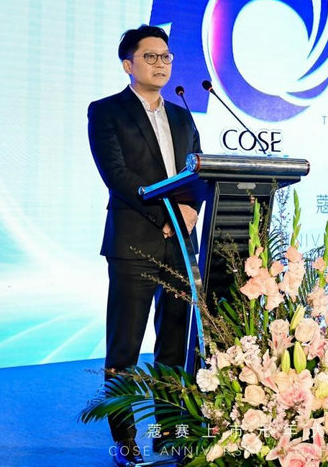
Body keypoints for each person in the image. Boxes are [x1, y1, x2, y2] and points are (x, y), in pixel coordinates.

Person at [88, 25, 201, 466]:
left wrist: (189, 211)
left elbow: (198, 172)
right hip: (134, 243)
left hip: (180, 245)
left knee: (173, 347)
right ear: (128, 64)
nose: (161, 63)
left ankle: (168, 435)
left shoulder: (183, 116)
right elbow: (117, 175)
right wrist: (166, 216)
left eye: (166, 56)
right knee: (125, 350)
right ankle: (126, 442)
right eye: (150, 56)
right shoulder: (106, 111)